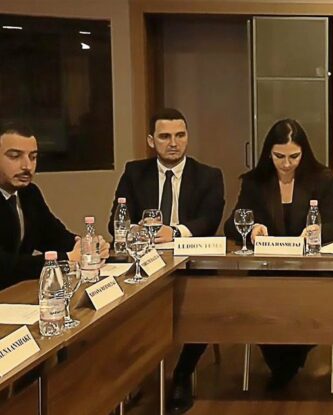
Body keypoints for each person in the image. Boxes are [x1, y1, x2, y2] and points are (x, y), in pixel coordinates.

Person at [108, 108, 225, 415]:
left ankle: (182, 374)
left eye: (180, 135)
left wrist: (173, 232)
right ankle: (128, 376)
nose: (173, 143)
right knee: (122, 308)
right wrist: (135, 230)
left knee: (207, 303)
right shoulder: (134, 173)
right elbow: (116, 222)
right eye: (165, 136)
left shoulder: (208, 175)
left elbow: (209, 220)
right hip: (144, 264)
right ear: (151, 141)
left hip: (193, 264)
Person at [224, 118, 333, 390]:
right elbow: (232, 224)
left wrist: (316, 232)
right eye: (279, 156)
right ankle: (284, 364)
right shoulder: (255, 182)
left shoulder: (323, 179)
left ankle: (287, 364)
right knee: (263, 306)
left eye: (294, 157)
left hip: (310, 270)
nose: (287, 164)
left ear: (304, 153)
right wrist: (252, 229)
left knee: (306, 307)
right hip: (268, 270)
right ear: (269, 153)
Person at [0, 121, 108, 289]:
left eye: (33, 157)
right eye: (15, 156)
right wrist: (68, 258)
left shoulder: (29, 193)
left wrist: (86, 246)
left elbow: (54, 236)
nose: (27, 166)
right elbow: (5, 265)